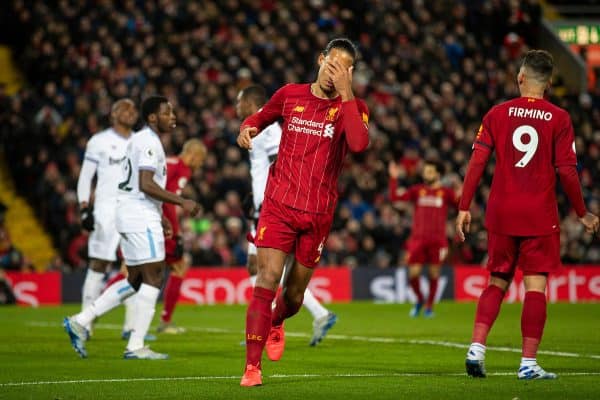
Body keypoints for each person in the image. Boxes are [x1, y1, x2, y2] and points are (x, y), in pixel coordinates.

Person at [456, 50, 599, 380]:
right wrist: (582, 213)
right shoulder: (560, 118)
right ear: (549, 84)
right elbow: (567, 171)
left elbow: (477, 162)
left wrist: (464, 206)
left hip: (501, 211)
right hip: (538, 213)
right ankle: (528, 363)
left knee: (496, 280)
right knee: (535, 287)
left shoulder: (496, 114)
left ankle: (476, 348)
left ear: (520, 78)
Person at [236, 38, 369, 387]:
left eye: (342, 69)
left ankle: (278, 321)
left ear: (349, 73)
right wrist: (246, 128)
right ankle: (252, 367)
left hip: (317, 215)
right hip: (278, 206)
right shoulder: (290, 94)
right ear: (320, 59)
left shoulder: (351, 107)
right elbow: (259, 117)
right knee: (266, 279)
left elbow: (359, 145)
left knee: (293, 297)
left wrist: (348, 93)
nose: (333, 73)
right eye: (330, 65)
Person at [63, 96, 201, 359]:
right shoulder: (149, 142)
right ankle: (136, 345)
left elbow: (139, 184)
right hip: (139, 216)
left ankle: (81, 320)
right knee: (154, 277)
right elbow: (146, 183)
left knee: (135, 279)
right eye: (167, 112)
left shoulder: (139, 140)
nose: (173, 116)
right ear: (152, 118)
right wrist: (182, 201)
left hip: (132, 213)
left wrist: (161, 216)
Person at [236, 84, 338, 347]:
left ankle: (267, 324)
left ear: (249, 103)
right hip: (265, 203)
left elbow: (276, 157)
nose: (237, 109)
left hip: (275, 205)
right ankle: (313, 314)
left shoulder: (266, 126)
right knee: (263, 268)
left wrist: (268, 194)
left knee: (267, 269)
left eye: (239, 103)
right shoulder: (262, 123)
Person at [76, 98, 137, 335]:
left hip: (132, 210)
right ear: (113, 114)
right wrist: (84, 208)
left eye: (133, 109)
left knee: (135, 265)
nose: (131, 112)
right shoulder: (99, 142)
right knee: (99, 264)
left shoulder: (139, 141)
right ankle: (84, 323)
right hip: (105, 210)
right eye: (125, 108)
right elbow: (85, 177)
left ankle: (131, 326)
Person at [388, 159, 458, 317]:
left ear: (438, 174)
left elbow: (461, 206)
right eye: (426, 171)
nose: (427, 174)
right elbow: (395, 198)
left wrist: (463, 190)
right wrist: (393, 178)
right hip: (418, 239)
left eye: (430, 171)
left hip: (438, 240)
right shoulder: (417, 190)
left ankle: (429, 307)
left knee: (434, 274)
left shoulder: (446, 193)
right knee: (413, 273)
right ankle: (419, 299)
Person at [157, 138, 207, 334]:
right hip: (158, 223)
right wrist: (172, 228)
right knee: (137, 271)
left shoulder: (180, 168)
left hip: (163, 223)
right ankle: (164, 320)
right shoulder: (175, 166)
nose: (200, 164)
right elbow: (160, 195)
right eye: (201, 160)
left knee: (136, 270)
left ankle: (92, 314)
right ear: (193, 154)